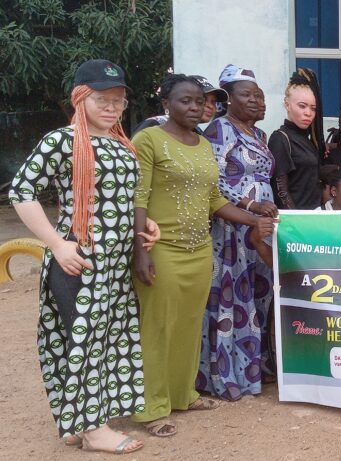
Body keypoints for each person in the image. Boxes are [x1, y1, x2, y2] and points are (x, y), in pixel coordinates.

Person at [8, 59, 161, 454]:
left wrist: (146, 226)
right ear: (80, 98)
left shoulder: (120, 143)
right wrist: (57, 244)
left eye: (119, 101)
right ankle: (94, 431)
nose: (111, 107)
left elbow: (122, 199)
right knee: (85, 342)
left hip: (114, 266)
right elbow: (21, 191)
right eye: (102, 99)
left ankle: (76, 423)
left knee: (105, 342)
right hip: (80, 262)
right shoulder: (62, 141)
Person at [130, 74, 276, 437]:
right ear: (166, 104)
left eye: (199, 102)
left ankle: (183, 394)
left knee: (189, 326)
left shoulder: (200, 144)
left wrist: (253, 220)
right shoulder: (148, 139)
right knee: (158, 328)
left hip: (199, 249)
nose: (195, 108)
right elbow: (138, 196)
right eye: (186, 101)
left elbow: (215, 199)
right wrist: (139, 248)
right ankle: (153, 408)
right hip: (161, 248)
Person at [198, 64, 282, 401]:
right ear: (227, 100)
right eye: (247, 95)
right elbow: (212, 181)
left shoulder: (260, 136)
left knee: (260, 293)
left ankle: (255, 366)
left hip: (262, 226)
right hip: (231, 228)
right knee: (234, 295)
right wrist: (249, 205)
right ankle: (226, 373)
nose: (257, 101)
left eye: (260, 95)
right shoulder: (219, 130)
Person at [269, 68, 326, 210]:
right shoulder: (280, 138)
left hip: (314, 216)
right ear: (287, 104)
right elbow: (280, 191)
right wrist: (295, 222)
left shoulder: (308, 141)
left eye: (313, 108)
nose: (308, 113)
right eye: (302, 106)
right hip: (296, 221)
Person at [133, 77, 228, 135]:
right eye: (203, 100)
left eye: (213, 102)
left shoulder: (198, 133)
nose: (210, 106)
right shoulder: (154, 125)